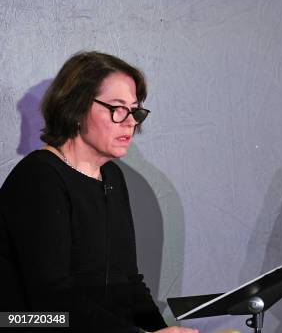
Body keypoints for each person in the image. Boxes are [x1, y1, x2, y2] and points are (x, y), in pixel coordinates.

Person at [0, 51, 197, 333]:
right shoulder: (39, 176)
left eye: (134, 110)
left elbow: (128, 280)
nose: (130, 121)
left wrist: (159, 330)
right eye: (117, 108)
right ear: (76, 107)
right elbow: (52, 300)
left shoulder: (112, 176)